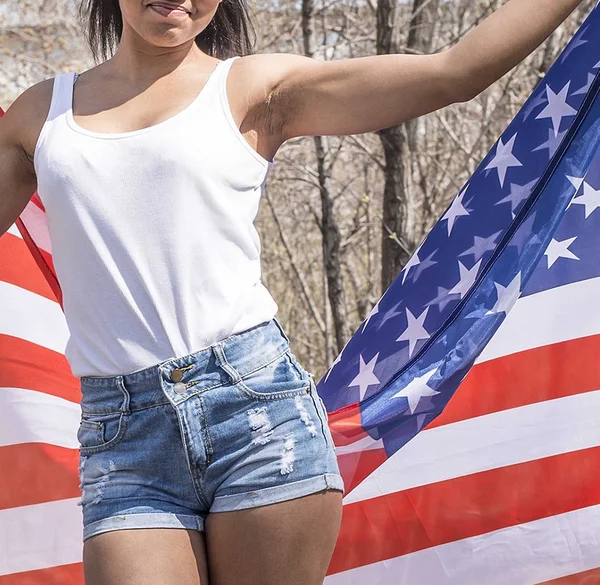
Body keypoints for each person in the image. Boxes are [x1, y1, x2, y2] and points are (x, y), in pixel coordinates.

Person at [0, 0, 587, 583]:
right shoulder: (41, 115)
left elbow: (454, 72)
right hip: (122, 435)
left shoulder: (255, 88)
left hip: (256, 414)